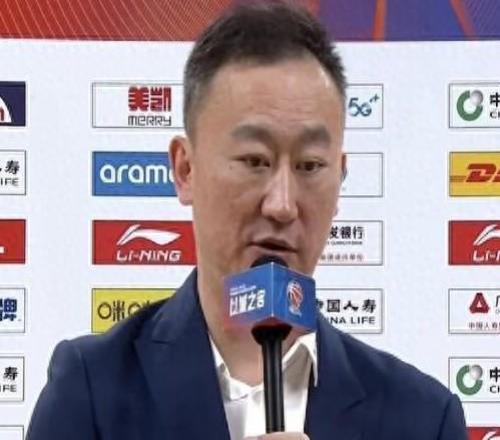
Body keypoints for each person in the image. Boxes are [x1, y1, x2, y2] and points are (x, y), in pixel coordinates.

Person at [27, 2, 467, 439]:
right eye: (255, 160)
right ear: (185, 169)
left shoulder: (423, 418)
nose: (282, 205)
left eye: (310, 165)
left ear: (340, 177)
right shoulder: (91, 390)